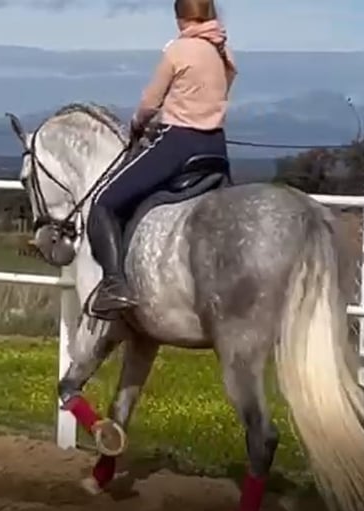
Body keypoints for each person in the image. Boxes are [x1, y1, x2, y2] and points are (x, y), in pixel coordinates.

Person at [87, 0, 237, 319]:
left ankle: (113, 284)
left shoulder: (177, 50)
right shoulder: (223, 52)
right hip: (216, 148)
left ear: (180, 18)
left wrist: (138, 124)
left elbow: (149, 102)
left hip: (178, 144)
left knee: (103, 203)